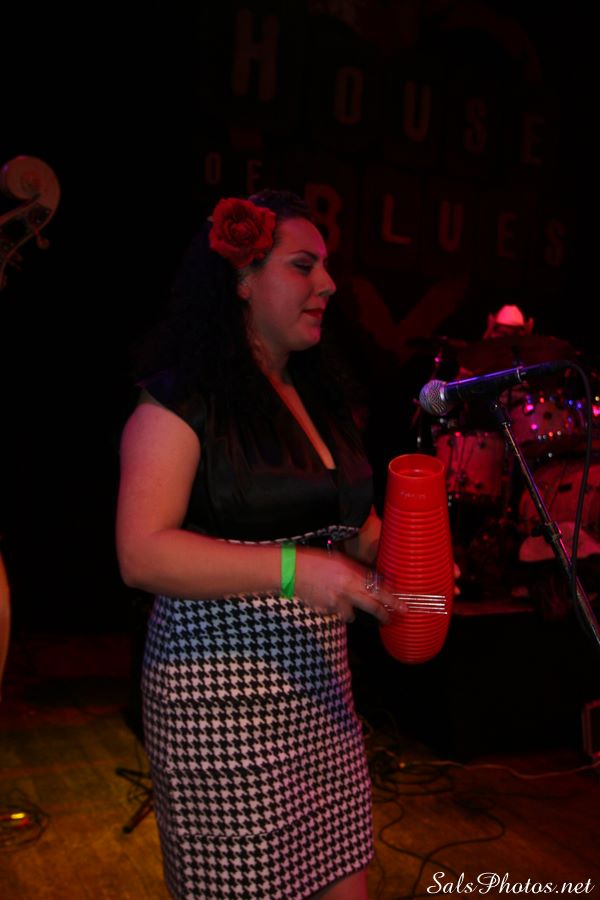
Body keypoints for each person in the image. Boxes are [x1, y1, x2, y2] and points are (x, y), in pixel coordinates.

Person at [115, 189, 400, 900]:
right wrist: (296, 572)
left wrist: (398, 552)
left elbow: (350, 532)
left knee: (344, 878)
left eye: (325, 266)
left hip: (321, 696)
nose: (327, 284)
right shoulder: (179, 400)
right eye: (303, 266)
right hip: (221, 702)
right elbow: (140, 553)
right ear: (243, 280)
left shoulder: (320, 395)